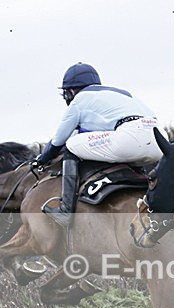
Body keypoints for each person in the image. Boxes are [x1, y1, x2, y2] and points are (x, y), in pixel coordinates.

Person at [33, 63, 165, 226]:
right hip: (160, 140)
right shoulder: (121, 94)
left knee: (71, 146)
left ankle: (66, 210)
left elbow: (57, 141)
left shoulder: (79, 101)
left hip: (129, 138)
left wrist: (41, 160)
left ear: (71, 91)